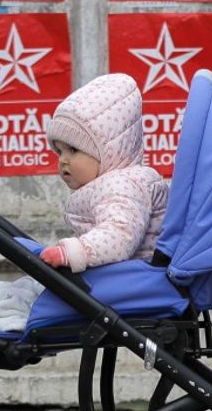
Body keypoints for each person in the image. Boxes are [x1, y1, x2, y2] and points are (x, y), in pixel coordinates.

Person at [39, 73, 169, 273]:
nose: (63, 160)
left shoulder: (121, 186)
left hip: (130, 282)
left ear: (108, 152)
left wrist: (73, 252)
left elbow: (120, 234)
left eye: (73, 150)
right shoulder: (110, 184)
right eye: (59, 151)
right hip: (117, 278)